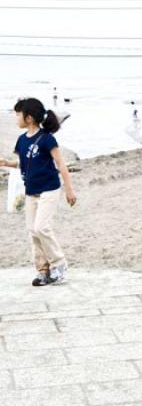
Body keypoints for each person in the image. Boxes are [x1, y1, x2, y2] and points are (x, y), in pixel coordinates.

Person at [0, 97, 77, 286]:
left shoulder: (47, 139)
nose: (15, 117)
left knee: (41, 227)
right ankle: (43, 270)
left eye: (18, 114)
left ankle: (59, 264)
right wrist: (7, 163)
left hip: (49, 189)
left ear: (29, 118)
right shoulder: (21, 140)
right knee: (32, 232)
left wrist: (69, 190)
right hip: (30, 191)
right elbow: (25, 163)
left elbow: (60, 164)